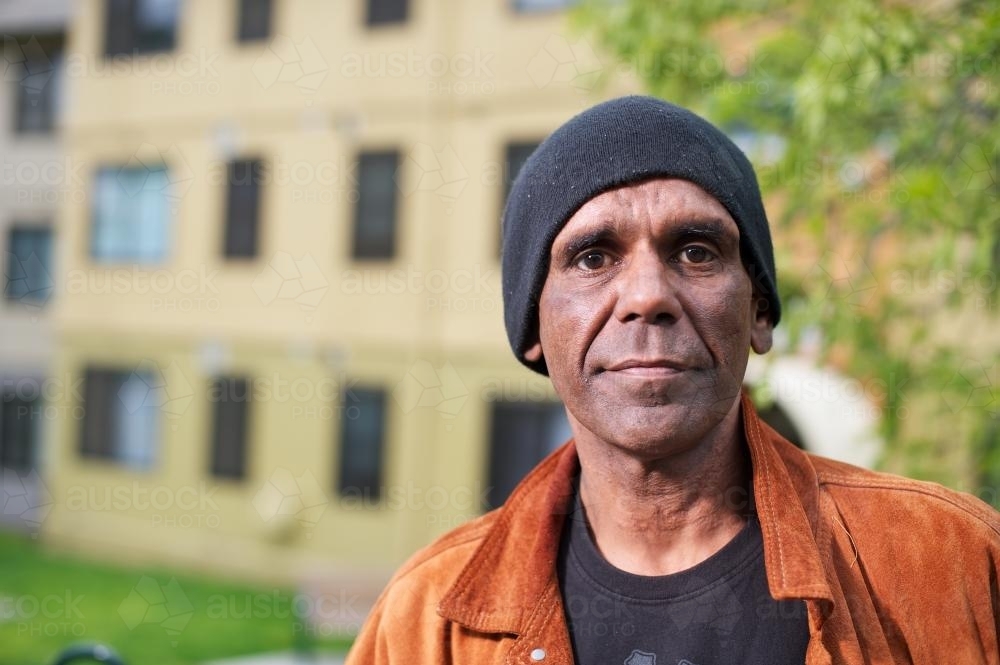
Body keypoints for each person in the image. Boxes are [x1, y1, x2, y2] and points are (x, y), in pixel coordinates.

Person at [345, 96, 1000, 664]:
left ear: (760, 310)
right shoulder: (427, 621)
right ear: (533, 326)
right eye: (593, 256)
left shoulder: (951, 561)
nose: (648, 295)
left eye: (695, 250)